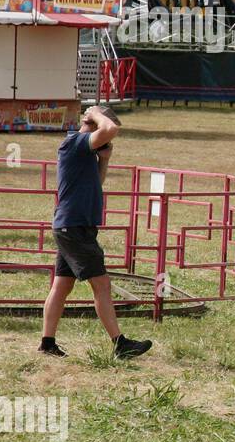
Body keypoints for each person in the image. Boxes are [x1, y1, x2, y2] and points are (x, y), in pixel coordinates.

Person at [40, 105, 152, 361]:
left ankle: (47, 343)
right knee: (102, 284)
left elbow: (97, 182)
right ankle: (120, 344)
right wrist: (95, 114)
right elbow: (110, 128)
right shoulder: (76, 142)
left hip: (74, 226)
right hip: (74, 226)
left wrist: (105, 160)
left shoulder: (85, 152)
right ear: (93, 123)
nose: (109, 138)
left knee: (62, 286)